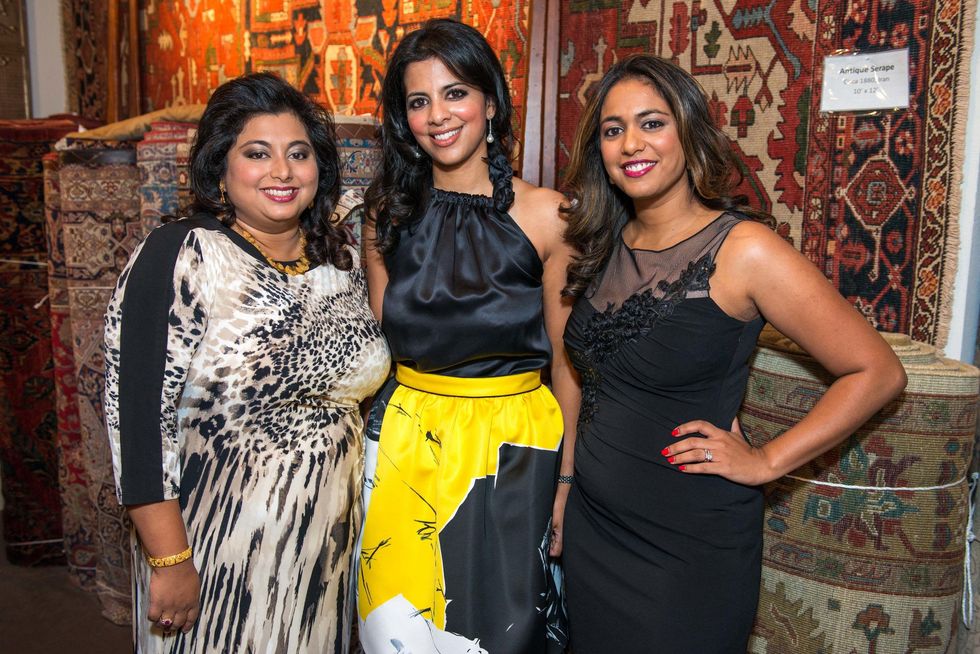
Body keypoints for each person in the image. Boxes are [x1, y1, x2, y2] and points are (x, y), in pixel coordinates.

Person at [558, 54, 907, 653]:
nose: (631, 144)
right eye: (613, 130)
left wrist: (767, 460)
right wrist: (565, 484)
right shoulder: (598, 242)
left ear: (688, 131)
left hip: (685, 548)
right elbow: (580, 379)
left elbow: (876, 371)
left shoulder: (744, 251)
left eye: (652, 123)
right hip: (593, 528)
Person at [103, 72, 390, 653]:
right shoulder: (182, 254)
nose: (282, 172)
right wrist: (170, 560)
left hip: (322, 549)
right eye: (257, 153)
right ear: (220, 168)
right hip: (216, 548)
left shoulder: (339, 260)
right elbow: (135, 419)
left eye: (298, 154)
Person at [356, 18, 577, 654]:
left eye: (455, 93)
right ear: (403, 119)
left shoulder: (548, 215)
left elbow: (568, 365)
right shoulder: (386, 213)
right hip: (404, 442)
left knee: (500, 634)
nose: (437, 115)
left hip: (512, 448)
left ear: (490, 101)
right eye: (418, 101)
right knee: (394, 628)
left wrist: (566, 481)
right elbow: (381, 349)